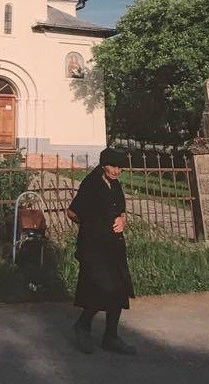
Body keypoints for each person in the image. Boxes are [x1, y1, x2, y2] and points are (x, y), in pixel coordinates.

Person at [67, 147, 135, 356]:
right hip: (94, 248)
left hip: (114, 246)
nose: (117, 171)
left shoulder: (115, 184)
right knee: (102, 288)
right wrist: (90, 225)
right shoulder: (92, 184)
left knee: (119, 288)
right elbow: (72, 212)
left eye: (120, 168)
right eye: (113, 166)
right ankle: (83, 325)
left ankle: (111, 337)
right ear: (104, 164)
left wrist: (123, 220)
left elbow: (121, 211)